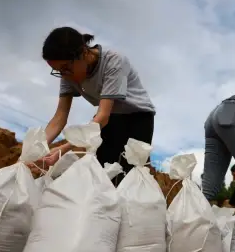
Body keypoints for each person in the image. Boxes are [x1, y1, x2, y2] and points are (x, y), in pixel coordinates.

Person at [36, 26, 156, 185]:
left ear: (83, 53)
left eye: (66, 68)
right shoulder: (67, 76)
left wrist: (64, 148)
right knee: (102, 172)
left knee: (130, 173)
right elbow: (59, 118)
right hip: (110, 117)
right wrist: (34, 150)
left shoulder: (114, 62)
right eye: (58, 71)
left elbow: (102, 116)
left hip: (137, 117)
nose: (64, 75)